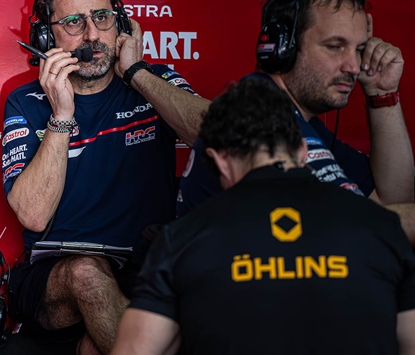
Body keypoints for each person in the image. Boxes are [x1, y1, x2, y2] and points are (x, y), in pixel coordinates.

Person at [112, 77, 415, 355]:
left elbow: (135, 350)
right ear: (302, 151)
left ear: (219, 161)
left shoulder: (180, 240)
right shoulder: (383, 228)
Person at [2, 0, 208, 354]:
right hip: (57, 275)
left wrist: (136, 73)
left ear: (122, 25)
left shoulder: (156, 82)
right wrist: (62, 115)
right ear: (47, 37)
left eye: (102, 17)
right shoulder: (25, 101)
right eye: (74, 23)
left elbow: (218, 138)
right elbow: (33, 215)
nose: (93, 35)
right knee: (87, 274)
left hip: (145, 267)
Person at [177, 0, 414, 220]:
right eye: (335, 47)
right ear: (283, 46)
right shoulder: (260, 120)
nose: (354, 66)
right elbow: (361, 225)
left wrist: (382, 92)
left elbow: (394, 200)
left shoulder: (295, 115)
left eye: (359, 49)